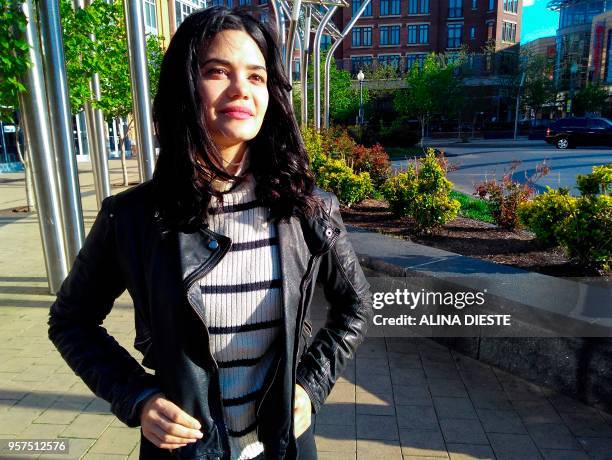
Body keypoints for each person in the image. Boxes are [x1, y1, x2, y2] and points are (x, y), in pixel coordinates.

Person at [48, 6, 373, 460]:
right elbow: (71, 321)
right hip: (184, 452)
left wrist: (311, 386)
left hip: (284, 448)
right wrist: (138, 397)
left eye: (257, 76)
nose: (242, 89)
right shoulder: (134, 217)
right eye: (217, 71)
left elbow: (355, 304)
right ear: (185, 85)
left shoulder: (308, 209)